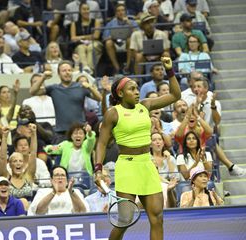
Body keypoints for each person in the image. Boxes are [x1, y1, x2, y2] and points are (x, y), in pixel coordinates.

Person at [94, 57, 181, 240]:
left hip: (146, 165)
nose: (136, 92)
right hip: (127, 166)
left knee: (157, 217)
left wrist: (170, 70)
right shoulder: (112, 113)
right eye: (131, 89)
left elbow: (175, 96)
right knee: (125, 219)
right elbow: (101, 143)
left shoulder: (145, 105)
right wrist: (98, 169)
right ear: (120, 93)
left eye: (136, 88)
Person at [29, 61, 101, 144]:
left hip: (79, 132)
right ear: (59, 74)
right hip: (61, 133)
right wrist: (43, 77)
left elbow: (99, 98)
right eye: (64, 71)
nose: (67, 73)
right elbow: (32, 91)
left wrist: (90, 87)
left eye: (69, 70)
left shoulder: (80, 87)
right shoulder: (53, 88)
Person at [70, 2, 103, 74]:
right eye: (84, 9)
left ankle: (90, 71)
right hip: (80, 44)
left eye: (88, 9)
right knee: (81, 48)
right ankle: (85, 68)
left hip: (95, 42)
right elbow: (73, 38)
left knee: (91, 47)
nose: (86, 11)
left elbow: (96, 36)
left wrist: (80, 37)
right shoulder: (74, 23)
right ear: (80, 11)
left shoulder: (96, 21)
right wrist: (88, 36)